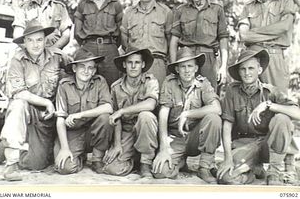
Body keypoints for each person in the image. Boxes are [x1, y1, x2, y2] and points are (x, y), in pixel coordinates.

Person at [0, 20, 69, 181]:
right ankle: (11, 163)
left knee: (36, 164)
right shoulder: (17, 60)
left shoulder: (58, 57)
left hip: (46, 117)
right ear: (24, 42)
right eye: (30, 40)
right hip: (26, 109)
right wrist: (46, 102)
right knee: (18, 105)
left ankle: (6, 145)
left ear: (45, 40)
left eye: (39, 39)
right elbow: (19, 93)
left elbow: (74, 74)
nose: (35, 44)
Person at [218, 49, 300, 185]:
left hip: (268, 145)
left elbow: (297, 113)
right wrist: (227, 158)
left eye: (251, 68)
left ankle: (274, 171)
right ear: (239, 72)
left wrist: (269, 105)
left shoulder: (271, 91)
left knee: (282, 119)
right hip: (244, 144)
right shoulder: (232, 91)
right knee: (226, 177)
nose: (247, 72)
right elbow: (227, 126)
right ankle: (254, 171)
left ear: (260, 70)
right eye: (243, 69)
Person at [152, 47, 222, 183]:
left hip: (195, 138)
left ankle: (205, 167)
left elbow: (217, 108)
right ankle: (179, 162)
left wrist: (187, 113)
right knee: (160, 172)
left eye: (190, 66)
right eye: (182, 66)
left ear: (196, 68)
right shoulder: (169, 83)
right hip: (175, 138)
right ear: (177, 69)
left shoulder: (203, 84)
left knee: (214, 118)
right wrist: (164, 148)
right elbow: (164, 112)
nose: (187, 70)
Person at [238, 0, 296, 92]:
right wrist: (273, 34)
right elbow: (244, 35)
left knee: (279, 100)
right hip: (252, 58)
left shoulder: (285, 2)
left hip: (275, 58)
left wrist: (255, 33)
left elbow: (284, 27)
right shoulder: (248, 7)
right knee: (250, 101)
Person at [54, 47, 113, 175]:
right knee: (65, 168)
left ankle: (97, 159)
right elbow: (60, 119)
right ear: (74, 68)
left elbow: (108, 107)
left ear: (94, 71)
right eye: (82, 66)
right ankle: (79, 157)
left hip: (92, 132)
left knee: (105, 118)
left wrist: (80, 114)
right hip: (72, 133)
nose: (86, 71)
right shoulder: (64, 85)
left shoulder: (99, 82)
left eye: (91, 67)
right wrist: (64, 148)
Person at [101, 47, 159, 177]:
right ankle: (134, 159)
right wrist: (117, 145)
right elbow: (116, 119)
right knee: (113, 169)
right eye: (129, 62)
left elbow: (150, 104)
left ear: (143, 65)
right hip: (127, 132)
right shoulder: (116, 87)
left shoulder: (151, 81)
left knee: (146, 116)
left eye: (137, 63)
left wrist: (123, 110)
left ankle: (145, 163)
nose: (133, 66)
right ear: (124, 64)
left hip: (146, 130)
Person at [169, 0, 229, 90]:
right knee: (185, 94)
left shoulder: (217, 10)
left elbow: (223, 40)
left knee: (210, 94)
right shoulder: (181, 10)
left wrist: (223, 67)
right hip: (187, 57)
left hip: (209, 59)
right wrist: (174, 66)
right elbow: (174, 41)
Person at [74, 0, 123, 86]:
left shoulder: (115, 4)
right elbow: (77, 33)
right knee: (87, 84)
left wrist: (110, 45)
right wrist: (88, 45)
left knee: (112, 84)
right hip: (88, 48)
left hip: (110, 49)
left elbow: (121, 31)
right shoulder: (83, 3)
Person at [121, 0, 173, 87]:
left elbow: (170, 40)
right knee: (136, 101)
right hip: (136, 65)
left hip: (157, 64)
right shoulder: (129, 14)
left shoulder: (165, 12)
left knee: (158, 100)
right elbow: (125, 42)